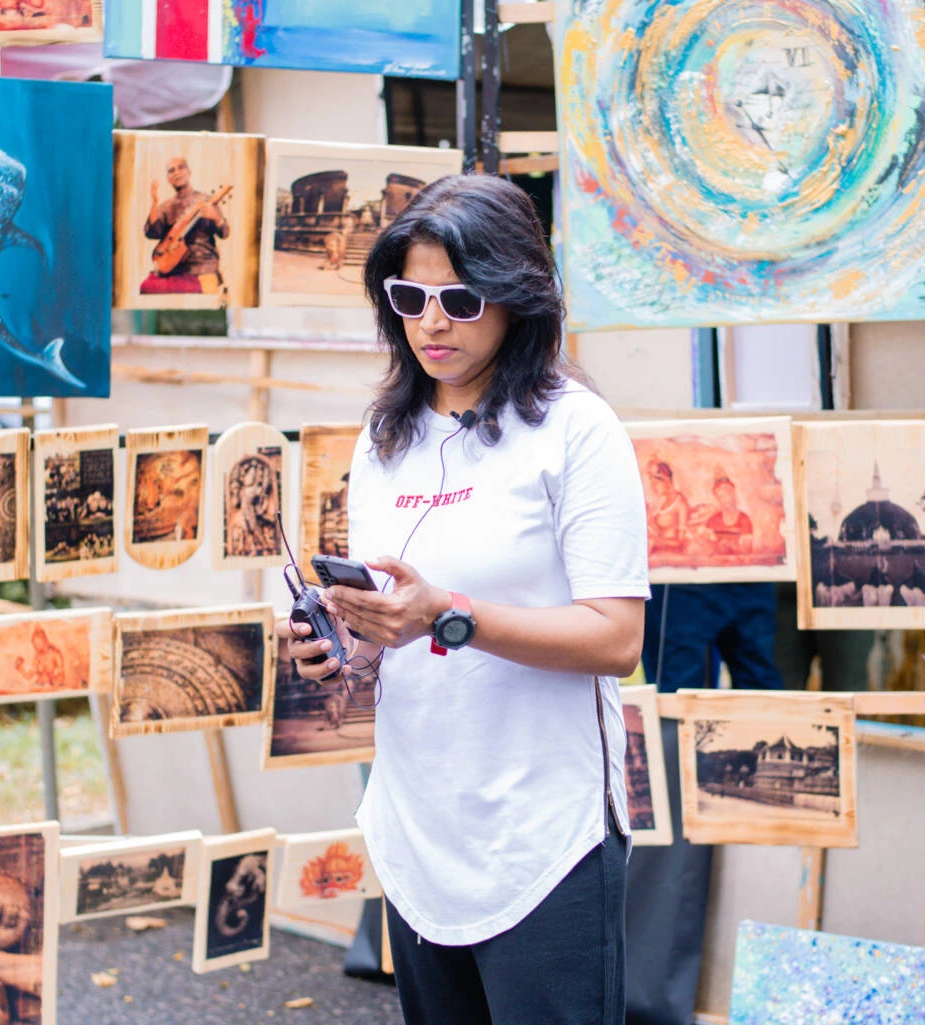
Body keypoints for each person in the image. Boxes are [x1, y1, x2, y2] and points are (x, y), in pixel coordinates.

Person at [278, 174, 648, 1025]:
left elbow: (616, 637)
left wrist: (450, 614)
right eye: (409, 296)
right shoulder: (385, 440)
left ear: (519, 296)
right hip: (420, 826)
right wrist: (348, 638)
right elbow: (395, 619)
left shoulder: (576, 430)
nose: (432, 322)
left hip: (544, 834)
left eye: (460, 297)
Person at [139, 156, 229, 295]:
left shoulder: (206, 200)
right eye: (171, 170)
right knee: (146, 286)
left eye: (181, 167)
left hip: (201, 266)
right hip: (172, 268)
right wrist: (155, 202)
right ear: (168, 178)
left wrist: (217, 218)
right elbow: (152, 233)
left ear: (189, 172)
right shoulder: (166, 206)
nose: (176, 172)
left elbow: (224, 233)